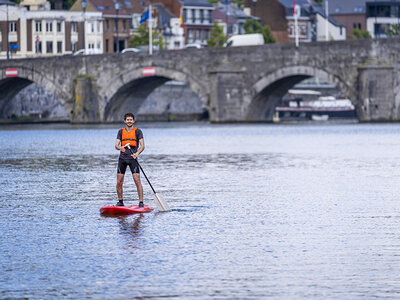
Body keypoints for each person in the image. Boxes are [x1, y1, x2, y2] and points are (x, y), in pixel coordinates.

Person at [115, 113, 145, 207]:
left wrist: (137, 153)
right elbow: (116, 145)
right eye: (127, 120)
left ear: (133, 121)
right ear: (125, 121)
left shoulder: (138, 131)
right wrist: (121, 148)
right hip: (122, 159)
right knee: (119, 182)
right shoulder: (121, 131)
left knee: (137, 181)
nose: (129, 121)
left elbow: (142, 146)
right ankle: (120, 201)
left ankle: (141, 202)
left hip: (133, 159)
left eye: (131, 120)